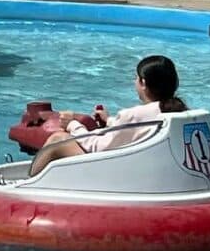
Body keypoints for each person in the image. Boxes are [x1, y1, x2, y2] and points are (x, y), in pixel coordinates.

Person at [28, 55, 186, 177]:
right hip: (155, 168)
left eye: (136, 78)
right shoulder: (181, 111)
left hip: (124, 173)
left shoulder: (133, 115)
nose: (134, 82)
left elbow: (96, 148)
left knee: (58, 140)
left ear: (143, 83)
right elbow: (133, 129)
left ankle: (28, 183)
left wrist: (72, 125)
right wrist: (109, 121)